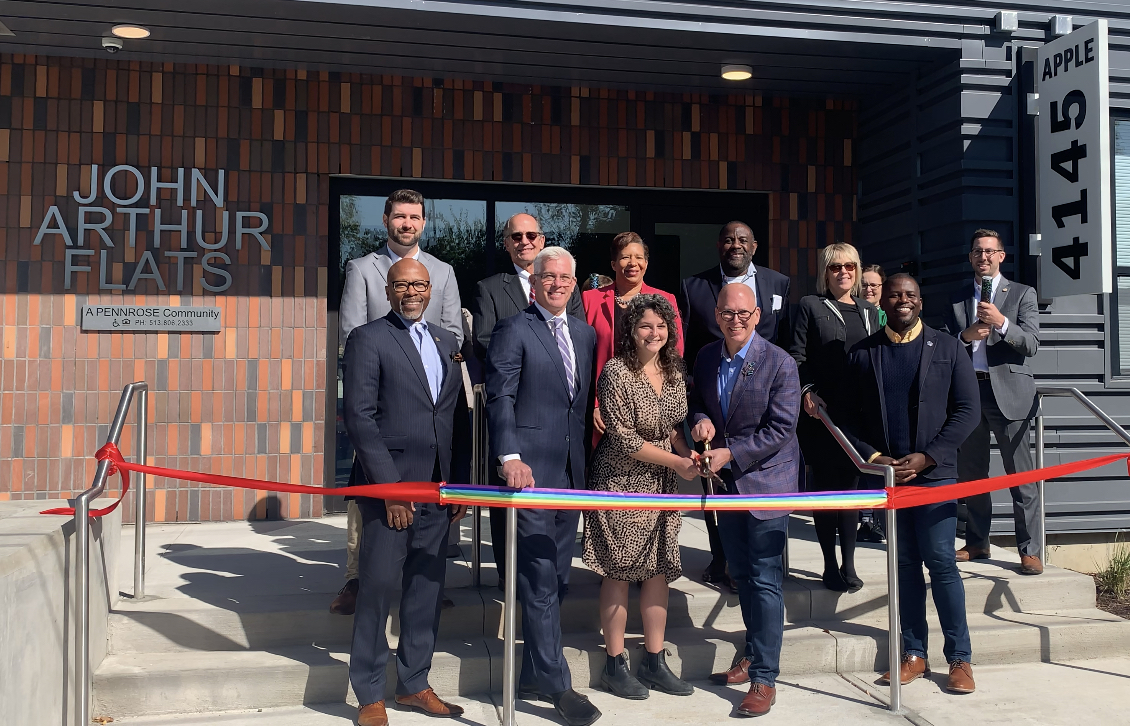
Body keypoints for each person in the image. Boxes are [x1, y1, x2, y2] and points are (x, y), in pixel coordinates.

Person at [343, 259, 471, 726]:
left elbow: (456, 418)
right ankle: (370, 694)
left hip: (438, 490)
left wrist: (458, 485)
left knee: (426, 589)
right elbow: (359, 416)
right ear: (389, 289)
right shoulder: (368, 338)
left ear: (431, 288)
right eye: (401, 284)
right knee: (376, 590)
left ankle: (414, 682)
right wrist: (391, 490)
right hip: (389, 492)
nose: (410, 291)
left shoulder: (447, 341)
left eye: (418, 284)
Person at [841, 273, 980, 695]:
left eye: (911, 295)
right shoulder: (863, 353)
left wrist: (929, 456)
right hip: (890, 479)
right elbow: (848, 418)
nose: (903, 300)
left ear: (921, 302)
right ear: (883, 300)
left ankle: (960, 659)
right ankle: (914, 654)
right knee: (903, 567)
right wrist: (874, 457)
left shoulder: (950, 347)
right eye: (895, 294)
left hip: (936, 476)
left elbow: (968, 412)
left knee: (940, 560)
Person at [332, 188, 464, 616]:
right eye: (399, 216)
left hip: (424, 398)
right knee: (372, 483)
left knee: (428, 486)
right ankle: (357, 575)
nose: (407, 223)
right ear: (386, 220)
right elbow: (352, 331)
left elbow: (452, 335)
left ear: (423, 223)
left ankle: (421, 576)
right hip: (377, 399)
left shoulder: (441, 271)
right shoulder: (362, 268)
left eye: (414, 217)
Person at [485, 247, 601, 726]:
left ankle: (532, 669)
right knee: (536, 578)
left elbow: (580, 402)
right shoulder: (514, 329)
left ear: (574, 284)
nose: (556, 284)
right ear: (533, 283)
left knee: (557, 577)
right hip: (529, 474)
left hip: (570, 474)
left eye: (564, 277)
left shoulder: (586, 333)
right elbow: (500, 396)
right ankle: (558, 686)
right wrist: (510, 457)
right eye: (547, 277)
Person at [689, 283, 801, 718]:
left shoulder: (780, 363)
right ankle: (752, 652)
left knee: (766, 579)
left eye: (743, 313)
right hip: (725, 487)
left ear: (757, 316)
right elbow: (697, 403)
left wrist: (731, 452)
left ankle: (765, 679)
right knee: (741, 576)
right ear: (716, 315)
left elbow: (781, 429)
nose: (735, 320)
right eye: (726, 313)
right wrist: (699, 424)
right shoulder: (705, 357)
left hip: (767, 483)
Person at [581, 294, 699, 700]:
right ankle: (615, 664)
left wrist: (689, 456)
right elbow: (626, 439)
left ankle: (654, 659)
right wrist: (676, 461)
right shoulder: (616, 372)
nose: (655, 333)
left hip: (663, 479)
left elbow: (676, 430)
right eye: (646, 326)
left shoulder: (674, 370)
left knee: (658, 567)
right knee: (620, 568)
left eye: (661, 326)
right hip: (621, 479)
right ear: (631, 331)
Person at [471, 213, 584, 590]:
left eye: (531, 234)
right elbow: (486, 342)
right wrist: (528, 352)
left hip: (563, 439)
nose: (524, 241)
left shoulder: (567, 287)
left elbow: (578, 345)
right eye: (515, 236)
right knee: (521, 545)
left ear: (541, 238)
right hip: (520, 424)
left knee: (554, 568)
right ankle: (510, 582)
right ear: (506, 243)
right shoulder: (491, 288)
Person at [678, 221, 790, 589]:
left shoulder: (778, 284)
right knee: (720, 507)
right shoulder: (694, 287)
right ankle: (720, 557)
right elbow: (687, 350)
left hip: (760, 419)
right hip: (715, 402)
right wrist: (699, 413)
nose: (735, 245)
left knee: (763, 570)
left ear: (754, 245)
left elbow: (784, 343)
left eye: (743, 239)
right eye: (728, 239)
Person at [941, 229, 1043, 575]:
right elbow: (941, 347)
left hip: (1010, 394)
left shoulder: (1022, 294)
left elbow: (1030, 344)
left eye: (989, 251)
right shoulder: (956, 298)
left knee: (1021, 476)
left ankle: (1029, 550)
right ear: (970, 257)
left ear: (1001, 256)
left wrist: (1001, 323)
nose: (982, 257)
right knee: (972, 476)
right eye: (976, 252)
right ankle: (977, 541)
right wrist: (964, 337)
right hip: (969, 394)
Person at [788, 243, 880, 592]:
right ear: (825, 273)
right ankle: (829, 566)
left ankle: (849, 564)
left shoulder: (870, 310)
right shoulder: (811, 307)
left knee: (852, 492)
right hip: (822, 413)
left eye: (850, 267)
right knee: (828, 491)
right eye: (836, 267)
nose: (844, 273)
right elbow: (796, 355)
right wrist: (807, 391)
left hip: (859, 415)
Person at [582, 232, 683, 446]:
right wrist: (594, 404)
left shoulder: (665, 300)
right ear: (613, 263)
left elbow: (674, 355)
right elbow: (582, 359)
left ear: (646, 263)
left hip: (650, 408)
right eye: (625, 257)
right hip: (602, 411)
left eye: (638, 257)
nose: (632, 263)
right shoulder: (590, 299)